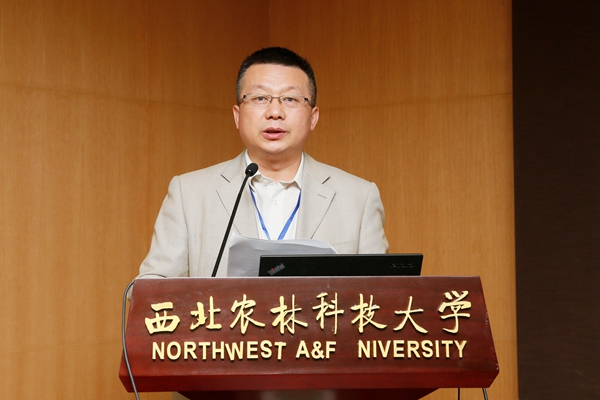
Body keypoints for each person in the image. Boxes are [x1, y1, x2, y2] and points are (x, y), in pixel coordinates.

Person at [137, 47, 388, 280]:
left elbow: (384, 295)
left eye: (290, 99)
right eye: (260, 98)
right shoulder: (189, 194)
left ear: (313, 117)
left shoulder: (359, 198)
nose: (275, 112)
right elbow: (152, 290)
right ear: (237, 116)